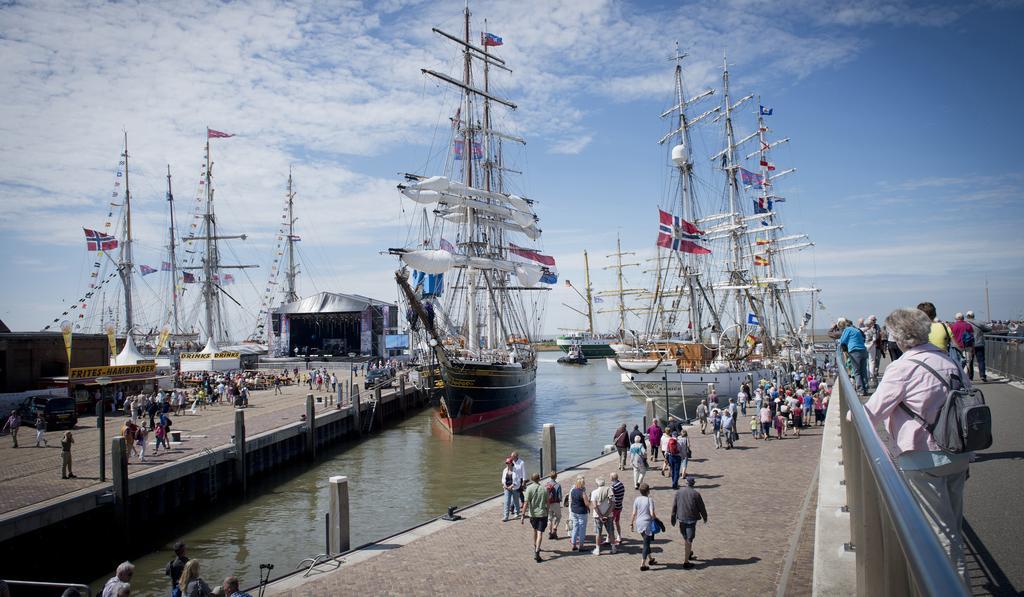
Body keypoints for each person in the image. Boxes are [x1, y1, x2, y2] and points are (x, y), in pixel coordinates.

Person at [862, 308, 974, 582]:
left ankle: (955, 587)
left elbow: (870, 413)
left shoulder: (902, 367)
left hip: (924, 457)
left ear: (899, 338)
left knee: (941, 534)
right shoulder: (949, 361)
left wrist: (849, 413)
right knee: (952, 525)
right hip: (959, 451)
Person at [671, 476, 708, 569]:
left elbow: (674, 507)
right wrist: (705, 517)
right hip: (691, 519)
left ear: (686, 483)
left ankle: (688, 552)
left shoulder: (678, 492)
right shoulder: (696, 494)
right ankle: (686, 561)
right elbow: (701, 507)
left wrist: (673, 518)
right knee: (689, 539)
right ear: (693, 484)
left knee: (686, 538)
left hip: (681, 518)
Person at [521, 473, 549, 562]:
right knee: (540, 533)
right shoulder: (544, 489)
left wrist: (522, 515)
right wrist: (547, 512)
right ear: (539, 479)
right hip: (542, 514)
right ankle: (537, 551)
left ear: (532, 479)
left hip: (532, 515)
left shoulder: (529, 489)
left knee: (535, 530)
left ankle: (535, 545)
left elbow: (525, 503)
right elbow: (547, 503)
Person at [629, 483, 658, 571]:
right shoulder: (650, 500)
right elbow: (652, 513)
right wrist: (656, 520)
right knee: (646, 544)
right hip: (647, 524)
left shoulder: (637, 499)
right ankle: (643, 564)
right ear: (648, 491)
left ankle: (651, 559)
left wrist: (631, 523)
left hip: (639, 523)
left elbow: (634, 513)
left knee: (646, 541)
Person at [839, 318, 870, 395]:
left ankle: (860, 390)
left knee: (856, 372)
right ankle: (865, 388)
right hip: (863, 350)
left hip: (854, 351)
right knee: (863, 371)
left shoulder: (847, 330)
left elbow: (842, 341)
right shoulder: (856, 329)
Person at [590, 477, 616, 555]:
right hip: (609, 515)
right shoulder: (609, 491)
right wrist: (606, 515)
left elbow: (594, 506)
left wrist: (601, 516)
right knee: (611, 532)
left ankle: (597, 549)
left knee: (598, 532)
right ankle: (613, 548)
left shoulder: (594, 492)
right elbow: (613, 504)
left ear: (597, 484)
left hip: (597, 516)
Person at [965, 311, 992, 382]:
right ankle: (982, 376)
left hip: (969, 345)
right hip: (979, 343)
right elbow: (989, 329)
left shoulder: (965, 323)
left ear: (967, 316)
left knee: (970, 361)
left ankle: (970, 377)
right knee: (981, 361)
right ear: (973, 315)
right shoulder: (979, 322)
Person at [568, 476, 590, 551]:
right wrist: (589, 501)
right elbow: (587, 503)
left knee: (575, 527)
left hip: (574, 511)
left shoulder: (573, 490)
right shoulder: (582, 492)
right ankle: (581, 546)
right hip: (581, 512)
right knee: (582, 529)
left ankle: (574, 545)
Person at [544, 471, 563, 540]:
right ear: (556, 477)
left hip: (548, 503)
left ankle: (549, 532)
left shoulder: (547, 484)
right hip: (556, 503)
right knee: (558, 517)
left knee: (549, 518)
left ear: (550, 476)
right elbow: (560, 497)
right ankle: (555, 528)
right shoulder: (558, 485)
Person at [863, 315, 882, 382]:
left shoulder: (865, 328)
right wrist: (871, 344)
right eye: (873, 320)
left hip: (868, 345)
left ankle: (870, 375)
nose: (874, 321)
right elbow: (875, 337)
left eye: (875, 320)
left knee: (870, 361)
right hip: (871, 345)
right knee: (870, 361)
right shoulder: (873, 329)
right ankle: (870, 375)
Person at [609, 472, 626, 545]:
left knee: (610, 523)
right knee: (617, 522)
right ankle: (619, 536)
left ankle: (609, 538)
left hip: (614, 507)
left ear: (612, 478)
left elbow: (610, 497)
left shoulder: (613, 487)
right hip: (619, 506)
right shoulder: (621, 484)